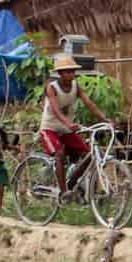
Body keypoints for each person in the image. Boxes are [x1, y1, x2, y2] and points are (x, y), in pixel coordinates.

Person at [38, 55, 106, 188]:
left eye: (72, 71)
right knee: (59, 154)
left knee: (88, 156)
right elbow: (56, 110)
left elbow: (89, 103)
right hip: (49, 128)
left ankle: (72, 183)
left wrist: (104, 119)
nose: (71, 74)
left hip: (66, 129)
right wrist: (68, 123)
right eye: (67, 72)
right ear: (60, 73)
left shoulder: (76, 86)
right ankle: (63, 192)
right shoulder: (52, 87)